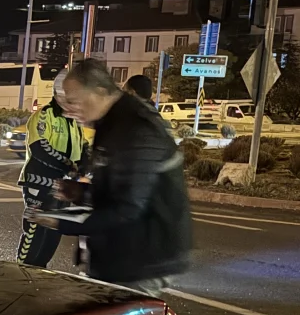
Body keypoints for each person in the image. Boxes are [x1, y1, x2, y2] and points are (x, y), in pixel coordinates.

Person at [28, 58, 192, 294]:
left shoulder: (137, 129)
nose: (69, 109)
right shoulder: (110, 122)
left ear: (100, 91)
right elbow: (117, 188)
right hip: (121, 253)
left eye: (74, 101)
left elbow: (129, 207)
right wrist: (81, 193)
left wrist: (60, 221)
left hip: (143, 256)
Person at [16, 75, 88, 266]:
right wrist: (68, 165)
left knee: (53, 234)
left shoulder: (74, 122)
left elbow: (83, 148)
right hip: (40, 184)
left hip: (64, 187)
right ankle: (22, 275)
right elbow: (39, 148)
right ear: (58, 94)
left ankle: (39, 274)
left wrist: (85, 164)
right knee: (34, 234)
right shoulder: (42, 115)